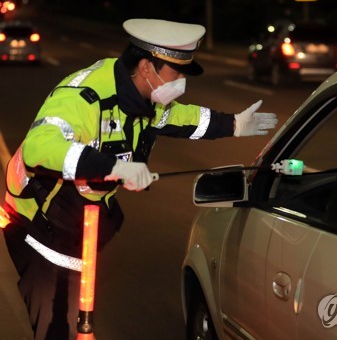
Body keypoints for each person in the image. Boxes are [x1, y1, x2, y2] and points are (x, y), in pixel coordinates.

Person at [0, 18, 278, 339]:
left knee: (79, 314)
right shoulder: (84, 97)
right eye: (177, 73)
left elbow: (180, 118)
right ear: (148, 67)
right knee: (58, 324)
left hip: (81, 214)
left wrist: (233, 124)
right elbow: (39, 147)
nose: (181, 82)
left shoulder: (143, 96)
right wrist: (114, 168)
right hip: (38, 218)